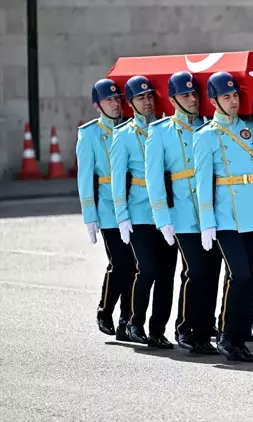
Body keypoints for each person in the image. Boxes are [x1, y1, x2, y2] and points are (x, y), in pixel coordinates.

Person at [193, 71, 253, 361]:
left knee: (250, 278)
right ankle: (227, 336)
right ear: (214, 100)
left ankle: (239, 337)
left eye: (235, 95)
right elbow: (202, 181)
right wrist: (207, 222)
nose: (233, 101)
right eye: (226, 96)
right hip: (227, 216)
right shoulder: (206, 136)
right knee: (239, 276)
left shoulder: (251, 129)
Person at [145, 71, 221, 354]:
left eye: (195, 94)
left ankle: (203, 330)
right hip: (182, 215)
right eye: (186, 95)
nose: (192, 99)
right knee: (196, 270)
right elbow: (154, 180)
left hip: (211, 212)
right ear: (173, 99)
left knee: (212, 271)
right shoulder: (160, 132)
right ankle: (185, 329)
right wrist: (162, 218)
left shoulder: (208, 126)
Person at [110, 75, 176, 349]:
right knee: (147, 268)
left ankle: (158, 329)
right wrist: (122, 216)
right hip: (139, 213)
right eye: (141, 98)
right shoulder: (122, 136)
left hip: (167, 214)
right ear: (130, 103)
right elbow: (117, 181)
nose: (147, 102)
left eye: (150, 96)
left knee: (167, 273)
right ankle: (135, 322)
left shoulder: (164, 130)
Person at [76, 78, 136, 341]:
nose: (115, 104)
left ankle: (127, 319)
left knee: (136, 264)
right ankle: (105, 310)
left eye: (117, 99)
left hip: (134, 205)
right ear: (97, 105)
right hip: (109, 208)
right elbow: (85, 178)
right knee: (121, 262)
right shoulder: (89, 134)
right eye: (109, 100)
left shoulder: (130, 128)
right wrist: (90, 216)